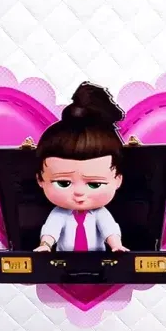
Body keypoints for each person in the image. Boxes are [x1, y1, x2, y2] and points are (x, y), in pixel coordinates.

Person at [34, 83, 129, 253]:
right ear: (40, 179)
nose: (79, 193)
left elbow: (109, 230)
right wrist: (45, 245)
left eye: (94, 184)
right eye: (63, 183)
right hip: (64, 261)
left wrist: (116, 246)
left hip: (98, 261)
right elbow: (50, 232)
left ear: (118, 180)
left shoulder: (100, 213)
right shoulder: (59, 213)